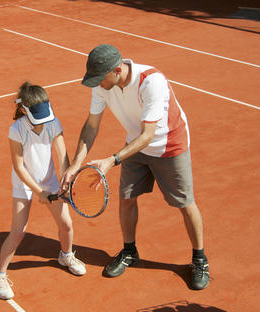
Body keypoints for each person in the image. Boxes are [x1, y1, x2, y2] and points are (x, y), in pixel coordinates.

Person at [61, 44, 209, 290]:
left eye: (101, 78)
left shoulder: (151, 82)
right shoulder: (103, 85)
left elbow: (148, 135)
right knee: (127, 198)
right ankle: (130, 251)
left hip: (169, 145)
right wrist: (75, 164)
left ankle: (200, 259)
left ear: (117, 70)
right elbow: (91, 125)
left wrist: (112, 160)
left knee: (184, 203)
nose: (98, 84)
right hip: (135, 144)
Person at [0, 81, 86, 300]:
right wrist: (38, 191)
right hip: (24, 182)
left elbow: (62, 156)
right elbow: (19, 167)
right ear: (24, 110)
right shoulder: (16, 130)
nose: (43, 122)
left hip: (50, 180)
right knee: (19, 231)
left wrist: (66, 177)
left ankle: (66, 256)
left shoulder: (53, 123)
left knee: (66, 225)